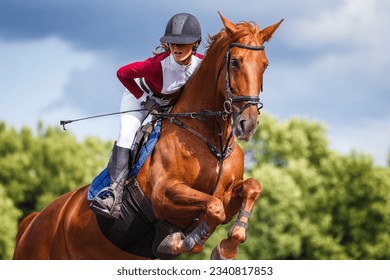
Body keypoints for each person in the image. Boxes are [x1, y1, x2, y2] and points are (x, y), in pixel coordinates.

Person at [90, 13, 204, 219]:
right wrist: (145, 99)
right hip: (139, 98)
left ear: (196, 43)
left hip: (167, 105)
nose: (176, 48)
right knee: (127, 135)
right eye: (172, 42)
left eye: (182, 43)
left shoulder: (200, 65)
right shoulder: (157, 65)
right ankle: (113, 193)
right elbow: (122, 73)